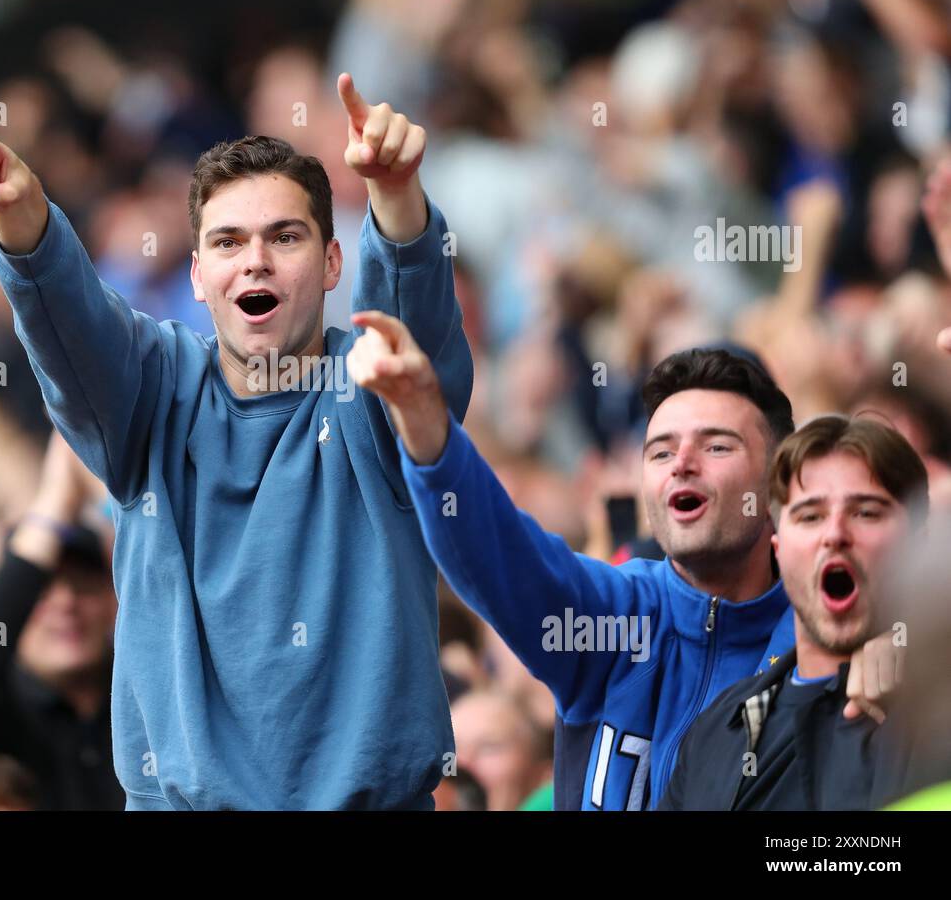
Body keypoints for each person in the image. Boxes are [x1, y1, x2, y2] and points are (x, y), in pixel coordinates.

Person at [0, 74, 472, 809]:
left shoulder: (368, 392)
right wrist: (26, 223)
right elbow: (73, 328)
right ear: (197, 275)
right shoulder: (152, 393)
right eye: (227, 241)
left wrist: (396, 200)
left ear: (330, 264)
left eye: (285, 237)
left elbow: (413, 354)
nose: (254, 260)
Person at [347, 310, 899, 809]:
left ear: (776, 483)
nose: (682, 462)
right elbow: (497, 551)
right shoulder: (613, 617)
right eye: (660, 451)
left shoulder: (829, 638)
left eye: (717, 446)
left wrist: (892, 646)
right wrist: (424, 421)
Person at [660, 415, 927, 809]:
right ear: (778, 547)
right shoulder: (718, 727)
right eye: (810, 516)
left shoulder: (933, 708)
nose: (834, 534)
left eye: (866, 512)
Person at [0, 432, 123, 810]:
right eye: (39, 592)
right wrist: (55, 502)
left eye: (82, 585)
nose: (65, 602)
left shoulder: (146, 696)